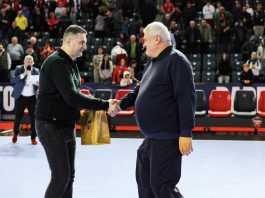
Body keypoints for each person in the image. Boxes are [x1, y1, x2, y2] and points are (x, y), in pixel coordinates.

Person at [35, 25, 118, 198]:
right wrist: (104, 105)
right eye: (82, 42)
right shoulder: (57, 62)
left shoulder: (70, 62)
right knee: (61, 177)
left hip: (65, 125)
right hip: (51, 126)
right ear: (68, 41)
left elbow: (72, 96)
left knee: (69, 176)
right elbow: (72, 97)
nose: (85, 46)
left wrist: (80, 111)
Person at [115, 22, 195, 198]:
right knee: (144, 181)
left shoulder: (177, 61)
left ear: (157, 38)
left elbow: (186, 98)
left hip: (167, 136)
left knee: (162, 185)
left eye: (146, 40)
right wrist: (120, 104)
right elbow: (139, 90)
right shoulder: (153, 63)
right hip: (152, 137)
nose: (143, 44)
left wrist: (186, 132)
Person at [10, 55, 39, 145]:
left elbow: (40, 83)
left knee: (33, 118)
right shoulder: (19, 68)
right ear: (24, 62)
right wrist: (24, 74)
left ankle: (33, 137)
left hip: (32, 98)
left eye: (31, 62)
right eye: (27, 61)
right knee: (18, 117)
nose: (29, 63)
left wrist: (39, 83)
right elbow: (13, 80)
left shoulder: (36, 70)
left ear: (33, 63)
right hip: (21, 97)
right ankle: (15, 134)